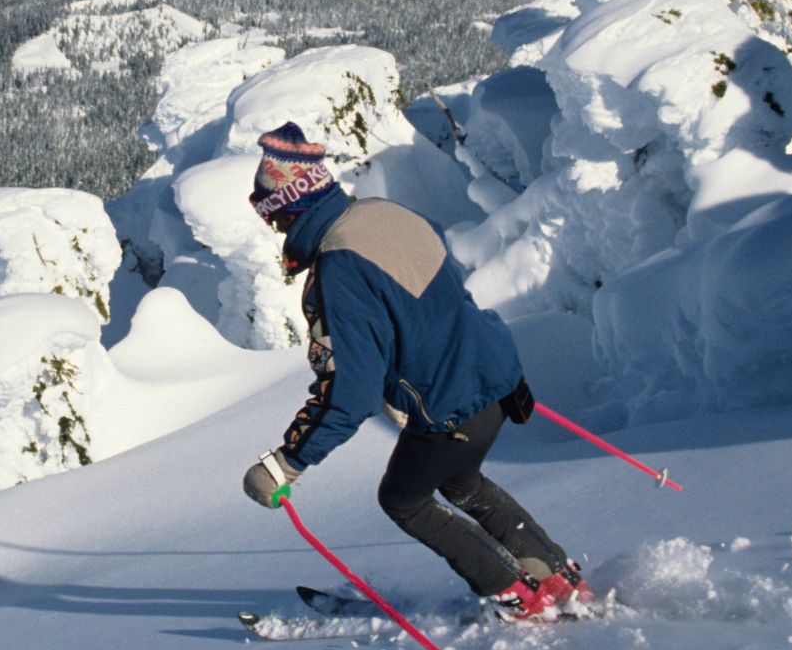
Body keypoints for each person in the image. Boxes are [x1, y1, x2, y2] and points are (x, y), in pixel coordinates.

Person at [238, 122, 590, 620]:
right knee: (462, 484)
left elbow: (349, 391)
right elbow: (436, 304)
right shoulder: (385, 214)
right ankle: (555, 577)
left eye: (272, 216)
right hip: (496, 377)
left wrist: (286, 462)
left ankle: (518, 596)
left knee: (404, 499)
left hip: (450, 404)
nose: (274, 229)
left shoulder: (339, 266)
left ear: (291, 205)